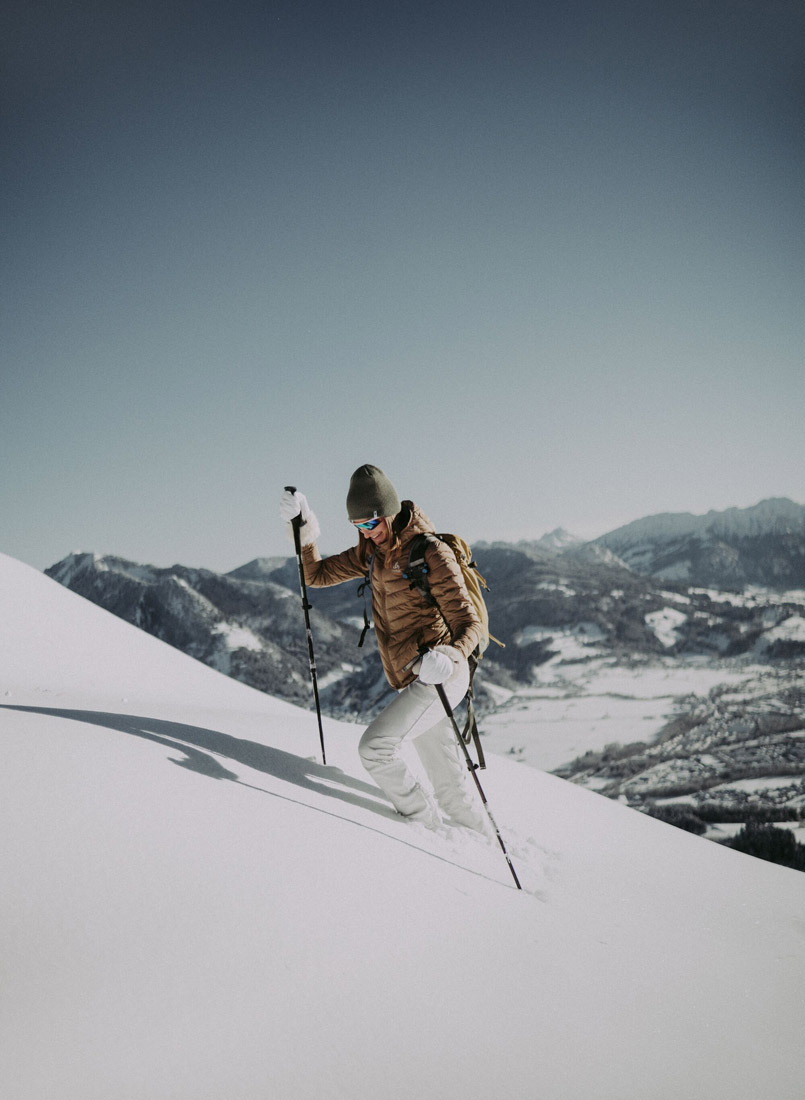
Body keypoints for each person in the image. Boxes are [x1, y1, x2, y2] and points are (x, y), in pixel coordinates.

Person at [279, 464, 488, 833]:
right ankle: (480, 842)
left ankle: (424, 828)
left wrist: (450, 656)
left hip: (443, 674)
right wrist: (304, 529)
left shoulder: (432, 553)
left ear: (389, 514)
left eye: (371, 523)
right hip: (416, 677)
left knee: (374, 749)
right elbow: (315, 575)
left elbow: (468, 623)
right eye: (357, 526)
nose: (366, 533)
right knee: (452, 791)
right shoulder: (372, 554)